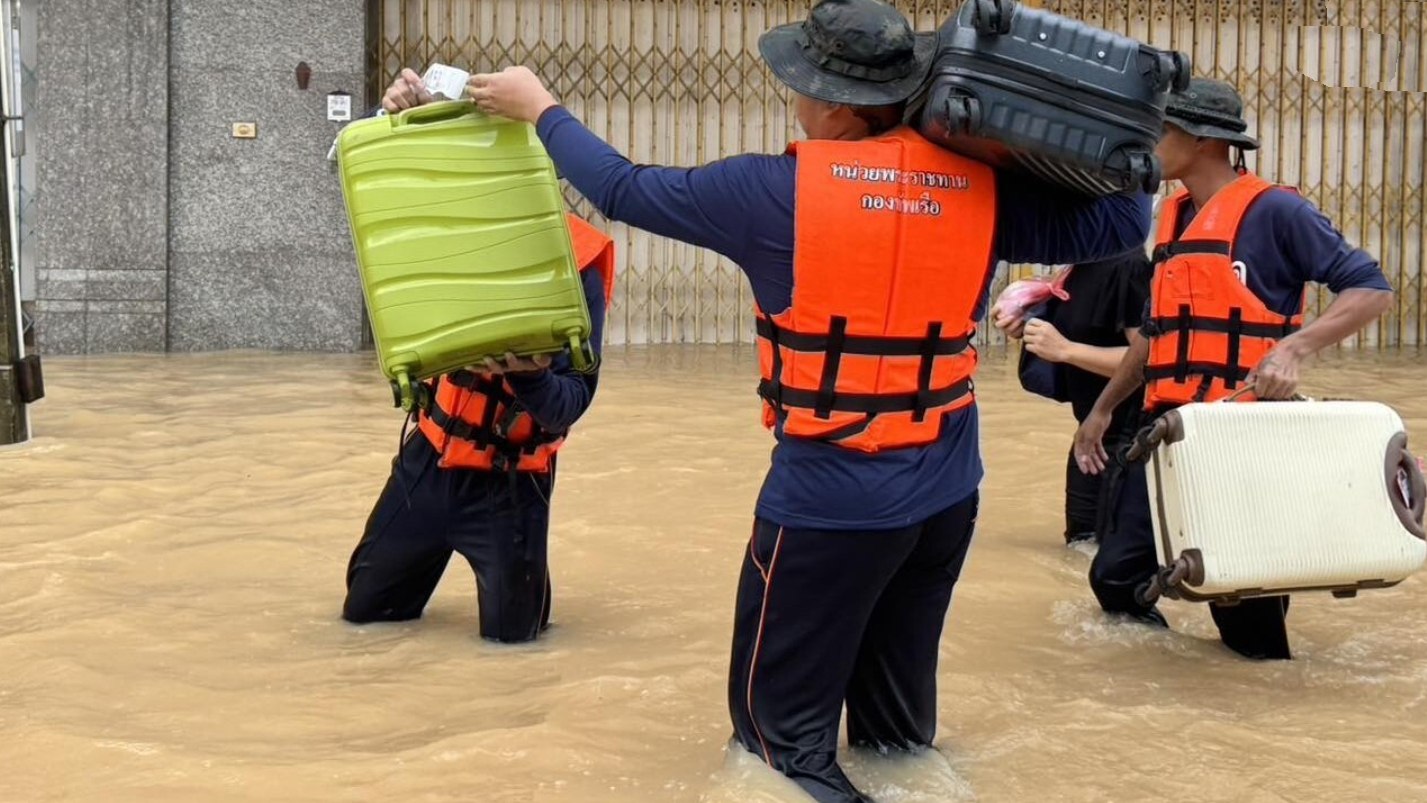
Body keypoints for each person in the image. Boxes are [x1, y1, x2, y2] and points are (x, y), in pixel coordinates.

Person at [387, 1, 1151, 799]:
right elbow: (1123, 217)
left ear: (831, 102)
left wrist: (539, 108)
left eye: (799, 86)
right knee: (898, 738)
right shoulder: (982, 189)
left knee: (775, 754)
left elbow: (619, 187)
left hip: (829, 503)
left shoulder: (771, 193)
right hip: (947, 496)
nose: (793, 100)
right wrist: (1023, 138)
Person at [1072, 77, 1394, 660]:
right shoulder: (1171, 218)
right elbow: (1156, 334)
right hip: (1164, 431)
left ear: (1199, 139)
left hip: (1239, 436)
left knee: (1243, 612)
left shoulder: (1277, 210)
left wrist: (1293, 349)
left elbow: (1371, 290)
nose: (1149, 143)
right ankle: (1176, 691)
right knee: (1115, 580)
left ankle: (1261, 699)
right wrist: (1101, 410)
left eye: (1159, 131)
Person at [342, 209, 616, 644]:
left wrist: (530, 376)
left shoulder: (574, 265)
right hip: (429, 463)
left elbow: (570, 403)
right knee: (364, 619)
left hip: (514, 485)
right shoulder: (444, 236)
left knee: (514, 648)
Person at [994, 250, 1153, 545]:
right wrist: (1028, 326)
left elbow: (1149, 360)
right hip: (1089, 433)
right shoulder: (1080, 265)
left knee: (1108, 557)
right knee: (1078, 550)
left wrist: (1066, 350)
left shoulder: (1129, 267)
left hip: (1126, 440)